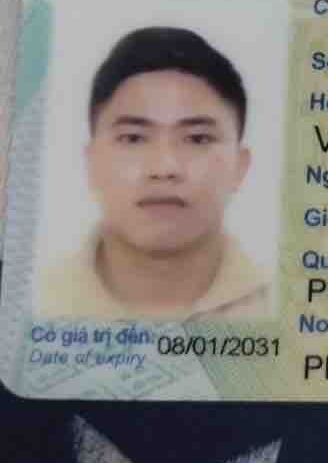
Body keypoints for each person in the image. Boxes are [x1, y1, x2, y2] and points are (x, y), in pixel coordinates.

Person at [38, 26, 271, 320]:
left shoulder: (293, 309)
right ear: (91, 162)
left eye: (197, 139)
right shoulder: (31, 306)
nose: (164, 168)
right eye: (133, 138)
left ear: (240, 166)